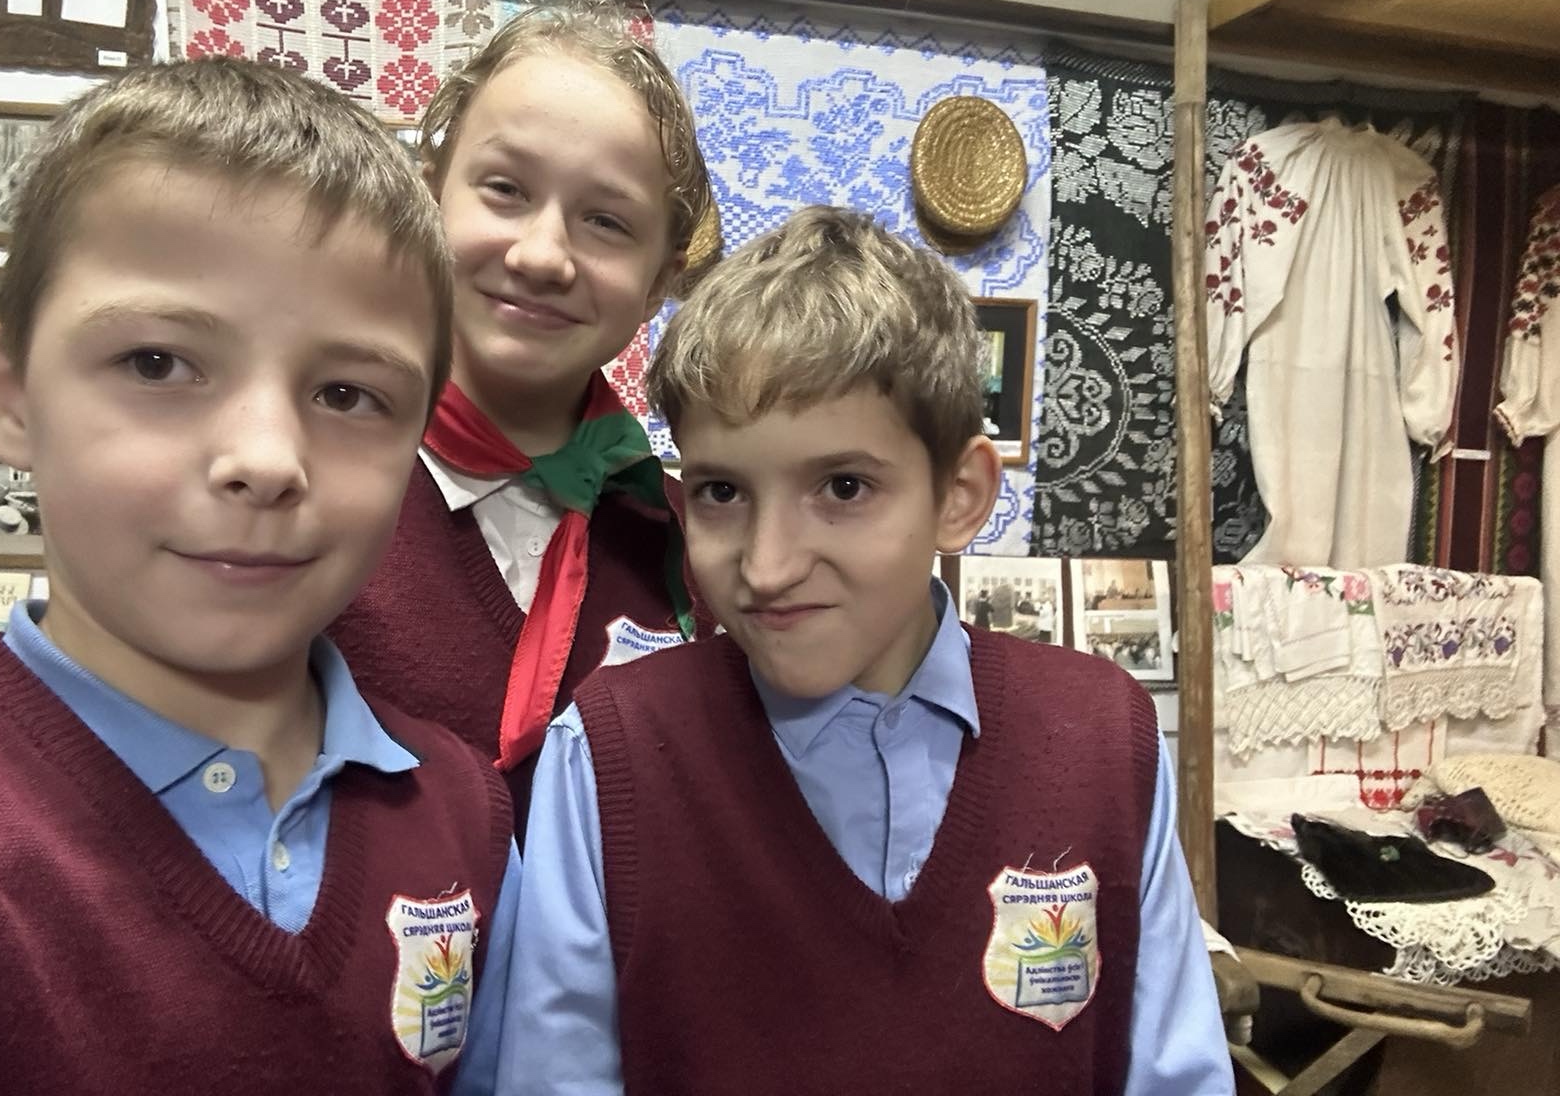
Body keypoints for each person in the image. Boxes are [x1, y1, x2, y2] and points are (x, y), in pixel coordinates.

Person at [497, 206, 1234, 1093]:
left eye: (843, 487)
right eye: (723, 491)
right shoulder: (608, 756)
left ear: (959, 496)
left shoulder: (1102, 741)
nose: (767, 567)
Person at [0, 58, 516, 1094]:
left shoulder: (460, 813)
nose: (266, 459)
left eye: (347, 394)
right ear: (11, 393)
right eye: (158, 363)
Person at [329, 0, 713, 826]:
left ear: (659, 280)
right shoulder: (312, 484)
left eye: (606, 221)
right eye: (505, 189)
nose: (542, 256)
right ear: (430, 198)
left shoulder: (694, 545)